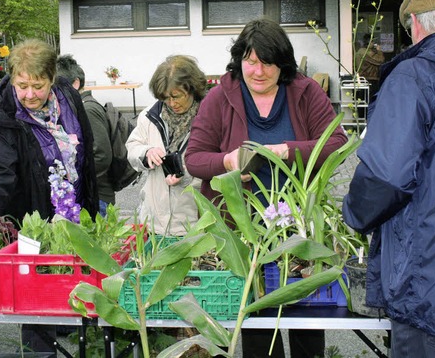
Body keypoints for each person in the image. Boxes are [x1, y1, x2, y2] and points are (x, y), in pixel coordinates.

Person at [185, 18, 347, 358]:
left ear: (282, 63)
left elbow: (336, 142)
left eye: (268, 62)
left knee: (306, 322)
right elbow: (194, 159)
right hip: (242, 233)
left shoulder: (304, 91)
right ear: (239, 59)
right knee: (257, 325)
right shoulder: (220, 97)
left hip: (298, 228)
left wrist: (288, 150)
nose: (258, 71)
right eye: (250, 61)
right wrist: (227, 163)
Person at [343, 0, 435, 357]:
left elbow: (385, 179)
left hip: (434, 288)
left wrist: (353, 215)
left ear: (414, 23)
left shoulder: (415, 77)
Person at [0, 39, 99, 357]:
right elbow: (0, 174)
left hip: (77, 210)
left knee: (83, 291)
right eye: (22, 85)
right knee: (38, 303)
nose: (30, 94)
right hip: (35, 221)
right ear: (13, 78)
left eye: (38, 85)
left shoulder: (69, 98)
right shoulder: (3, 119)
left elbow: (85, 151)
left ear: (52, 79)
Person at [126, 55, 205, 236]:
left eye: (176, 96)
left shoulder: (208, 117)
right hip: (155, 222)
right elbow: (132, 147)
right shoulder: (149, 116)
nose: (172, 103)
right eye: (165, 98)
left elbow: (217, 165)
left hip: (194, 223)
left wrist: (185, 175)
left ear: (192, 89)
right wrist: (146, 153)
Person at [56, 54, 114, 214]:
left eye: (59, 86)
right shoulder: (78, 108)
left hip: (99, 195)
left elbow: (102, 155)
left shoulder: (87, 110)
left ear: (75, 83)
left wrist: (78, 176)